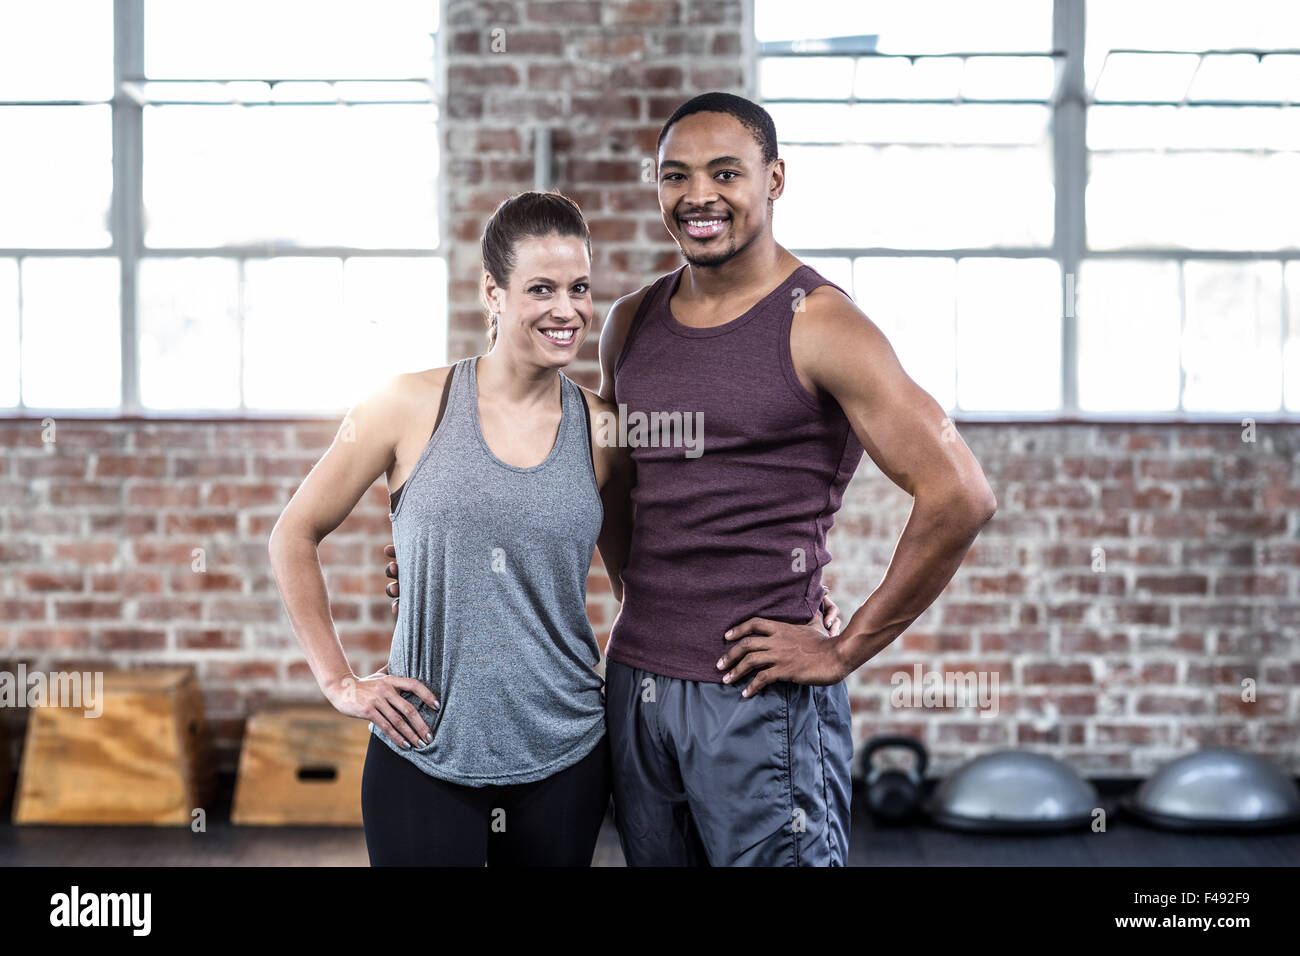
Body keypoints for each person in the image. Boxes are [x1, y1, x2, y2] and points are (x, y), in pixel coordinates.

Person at [387, 92, 997, 867]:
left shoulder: (821, 323)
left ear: (774, 180)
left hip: (755, 698)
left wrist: (842, 651)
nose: (698, 196)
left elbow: (961, 494)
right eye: (676, 176)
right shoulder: (631, 321)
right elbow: (604, 486)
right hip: (636, 684)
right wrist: (445, 545)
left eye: (725, 172)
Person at [269, 191, 637, 866]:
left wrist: (785, 593)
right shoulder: (404, 404)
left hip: (566, 752)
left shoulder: (604, 428)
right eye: (542, 289)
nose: (567, 310)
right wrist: (339, 682)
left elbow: (639, 580)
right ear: (491, 293)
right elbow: (293, 534)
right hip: (424, 747)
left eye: (580, 288)